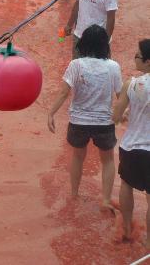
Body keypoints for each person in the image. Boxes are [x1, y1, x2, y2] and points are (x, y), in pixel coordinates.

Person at [47, 24, 121, 212]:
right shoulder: (113, 67)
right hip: (104, 122)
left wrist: (51, 112)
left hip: (78, 121)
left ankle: (74, 194)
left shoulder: (76, 65)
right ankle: (105, 199)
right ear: (105, 45)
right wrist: (127, 115)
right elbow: (122, 96)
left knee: (78, 157)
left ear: (84, 43)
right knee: (108, 161)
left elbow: (64, 93)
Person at [113, 38, 150, 249]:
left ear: (148, 62)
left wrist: (123, 115)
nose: (134, 58)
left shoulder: (132, 84)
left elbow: (116, 116)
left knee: (126, 185)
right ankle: (149, 243)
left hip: (132, 146)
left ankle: (126, 229)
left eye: (137, 55)